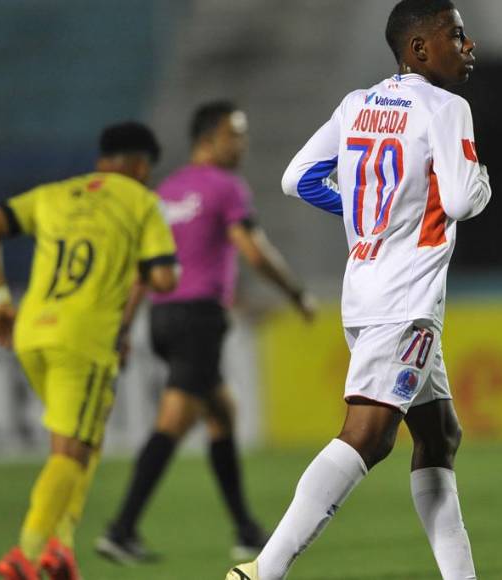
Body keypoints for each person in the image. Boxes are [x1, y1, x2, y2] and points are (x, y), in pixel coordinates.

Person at [228, 0, 489, 578]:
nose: (468, 46)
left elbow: (297, 178)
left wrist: (366, 212)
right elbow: (461, 200)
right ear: (419, 48)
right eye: (456, 35)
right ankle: (263, 571)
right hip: (407, 300)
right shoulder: (447, 108)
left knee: (439, 435)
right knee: (368, 435)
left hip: (366, 289)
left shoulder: (357, 105)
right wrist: (482, 184)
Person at [96, 101, 317, 565]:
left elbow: (142, 270)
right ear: (209, 139)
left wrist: (125, 326)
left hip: (162, 319)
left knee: (222, 413)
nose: (243, 143)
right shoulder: (226, 186)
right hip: (198, 319)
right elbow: (253, 252)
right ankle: (121, 528)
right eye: (236, 133)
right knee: (174, 421)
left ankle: (246, 529)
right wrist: (295, 293)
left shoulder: (166, 191)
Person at [0, 122, 179, 580]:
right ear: (141, 166)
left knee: (81, 438)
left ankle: (61, 548)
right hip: (83, 337)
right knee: (71, 449)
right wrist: (147, 269)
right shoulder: (141, 202)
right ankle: (26, 552)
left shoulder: (53, 194)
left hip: (31, 331)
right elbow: (164, 278)